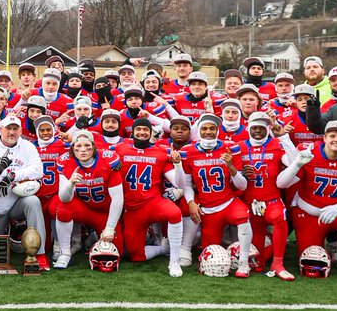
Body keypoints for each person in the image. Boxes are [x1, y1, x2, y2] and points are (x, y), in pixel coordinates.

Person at [276, 120, 337, 282]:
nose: (336, 139)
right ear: (324, 138)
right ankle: (330, 249)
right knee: (311, 261)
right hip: (310, 213)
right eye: (332, 135)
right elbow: (281, 183)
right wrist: (297, 164)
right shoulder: (310, 153)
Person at [177, 114, 253, 276]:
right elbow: (186, 183)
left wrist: (231, 166)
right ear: (199, 131)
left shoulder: (230, 147)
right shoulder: (187, 151)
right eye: (204, 128)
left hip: (228, 202)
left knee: (243, 217)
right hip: (208, 207)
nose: (208, 132)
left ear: (218, 130)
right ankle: (185, 248)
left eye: (212, 128)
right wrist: (191, 202)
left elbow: (242, 185)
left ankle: (244, 263)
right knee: (210, 251)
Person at [0, 116, 50, 271]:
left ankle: (39, 254)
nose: (11, 132)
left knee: (33, 202)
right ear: (1, 129)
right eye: (8, 128)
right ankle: (9, 238)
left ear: (20, 131)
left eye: (15, 129)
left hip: (17, 201)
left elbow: (38, 170)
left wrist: (13, 176)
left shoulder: (28, 146)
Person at [115, 118, 183, 274]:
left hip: (152, 202)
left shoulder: (160, 152)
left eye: (145, 130)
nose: (142, 132)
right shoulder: (120, 149)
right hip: (132, 209)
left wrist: (178, 164)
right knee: (136, 255)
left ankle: (174, 261)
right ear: (132, 132)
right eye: (138, 129)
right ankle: (163, 248)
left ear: (151, 132)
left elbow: (178, 182)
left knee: (174, 213)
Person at [239, 111, 296, 279]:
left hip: (271, 200)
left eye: (261, 128)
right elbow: (231, 173)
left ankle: (278, 263)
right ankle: (264, 253)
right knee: (257, 261)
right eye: (254, 127)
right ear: (248, 128)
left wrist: (284, 137)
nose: (257, 131)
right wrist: (241, 172)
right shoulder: (239, 146)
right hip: (249, 201)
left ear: (268, 129)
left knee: (279, 217)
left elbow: (294, 164)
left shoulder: (277, 144)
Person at [55, 131, 124, 268]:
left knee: (118, 251)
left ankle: (93, 237)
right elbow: (64, 198)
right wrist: (70, 183)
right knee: (62, 209)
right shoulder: (66, 162)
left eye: (87, 145)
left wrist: (110, 228)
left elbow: (118, 198)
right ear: (72, 148)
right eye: (78, 146)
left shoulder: (107, 161)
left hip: (104, 212)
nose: (83, 150)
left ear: (93, 147)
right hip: (84, 208)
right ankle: (65, 253)